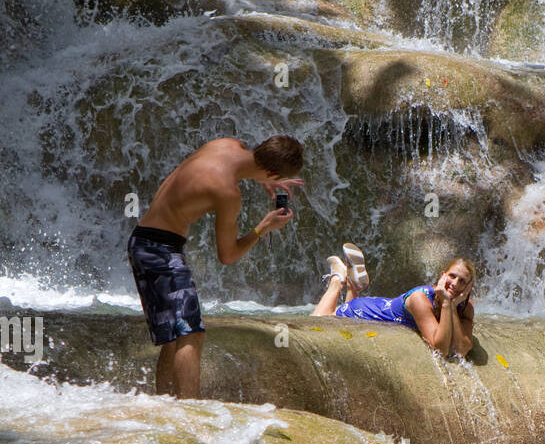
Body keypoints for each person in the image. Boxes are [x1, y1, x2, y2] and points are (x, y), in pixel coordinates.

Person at [127, 135, 304, 398]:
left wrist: (265, 179)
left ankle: (165, 402)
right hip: (159, 252)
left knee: (176, 334)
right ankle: (191, 410)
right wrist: (263, 228)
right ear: (273, 172)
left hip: (145, 242)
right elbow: (228, 255)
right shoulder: (227, 193)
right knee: (191, 333)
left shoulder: (225, 144)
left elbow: (230, 169)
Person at [312, 246, 476, 358]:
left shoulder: (465, 307)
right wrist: (447, 304)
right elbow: (440, 348)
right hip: (364, 311)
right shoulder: (421, 298)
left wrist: (452, 307)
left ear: (468, 287)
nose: (455, 284)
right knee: (317, 323)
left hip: (380, 305)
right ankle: (337, 280)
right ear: (442, 275)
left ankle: (353, 286)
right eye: (452, 276)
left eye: (462, 281)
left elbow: (462, 349)